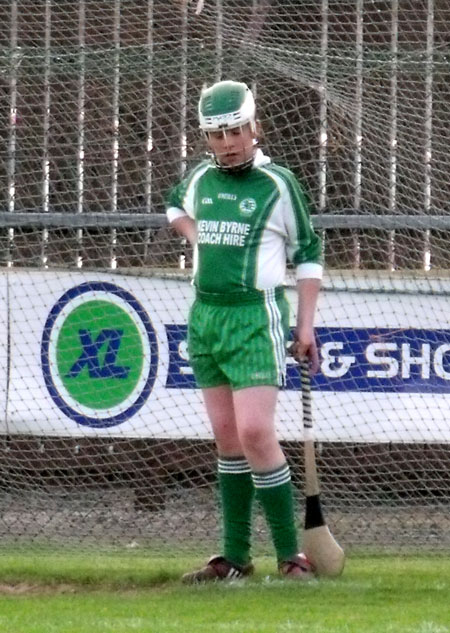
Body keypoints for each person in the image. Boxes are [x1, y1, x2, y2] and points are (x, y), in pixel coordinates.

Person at [166, 80, 323, 582]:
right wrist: (200, 239)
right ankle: (234, 557)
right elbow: (175, 208)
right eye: (216, 135)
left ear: (255, 127)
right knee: (227, 437)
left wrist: (305, 326)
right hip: (206, 316)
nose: (228, 142)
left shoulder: (278, 184)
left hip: (257, 317)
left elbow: (309, 255)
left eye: (235, 130)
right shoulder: (199, 180)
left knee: (256, 432)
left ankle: (291, 555)